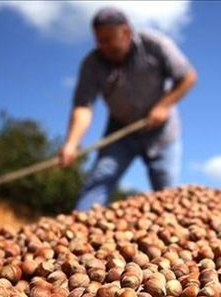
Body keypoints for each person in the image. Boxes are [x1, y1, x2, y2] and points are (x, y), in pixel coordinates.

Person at [59, 7, 197, 210]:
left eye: (108, 40)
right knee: (98, 181)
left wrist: (163, 105)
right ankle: (79, 224)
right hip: (121, 130)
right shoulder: (92, 64)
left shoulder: (155, 44)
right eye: (99, 40)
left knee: (167, 195)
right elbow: (83, 107)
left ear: (126, 32)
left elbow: (187, 77)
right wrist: (71, 142)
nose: (103, 46)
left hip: (161, 130)